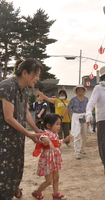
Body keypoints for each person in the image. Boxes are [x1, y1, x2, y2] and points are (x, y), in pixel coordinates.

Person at [0, 58, 43, 200]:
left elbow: (25, 113)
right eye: (36, 75)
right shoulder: (7, 86)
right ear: (25, 73)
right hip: (3, 138)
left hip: (15, 137)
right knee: (4, 169)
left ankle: (13, 189)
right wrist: (29, 134)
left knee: (15, 167)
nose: (37, 79)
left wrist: (36, 130)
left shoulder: (24, 90)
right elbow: (8, 117)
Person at [32, 113, 72, 200]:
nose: (59, 126)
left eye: (59, 124)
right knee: (49, 181)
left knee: (56, 177)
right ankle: (37, 192)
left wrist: (64, 140)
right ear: (48, 125)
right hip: (47, 159)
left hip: (55, 159)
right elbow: (42, 137)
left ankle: (56, 193)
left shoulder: (55, 134)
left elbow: (57, 142)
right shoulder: (46, 133)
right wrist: (49, 142)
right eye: (57, 124)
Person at [62, 85, 88, 160]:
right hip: (76, 117)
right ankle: (77, 152)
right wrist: (63, 116)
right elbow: (68, 108)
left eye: (81, 89)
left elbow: (89, 108)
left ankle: (82, 149)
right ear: (76, 91)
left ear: (84, 91)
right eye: (78, 89)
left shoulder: (86, 99)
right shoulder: (73, 99)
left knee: (84, 135)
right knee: (77, 134)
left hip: (84, 116)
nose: (80, 90)